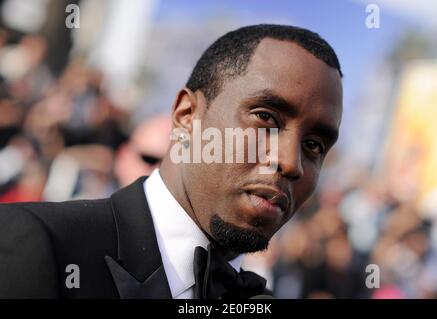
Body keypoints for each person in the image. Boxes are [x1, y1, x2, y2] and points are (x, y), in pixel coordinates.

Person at [0, 24, 343, 299]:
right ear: (186, 115)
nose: (290, 162)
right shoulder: (37, 244)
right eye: (266, 118)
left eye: (314, 144)